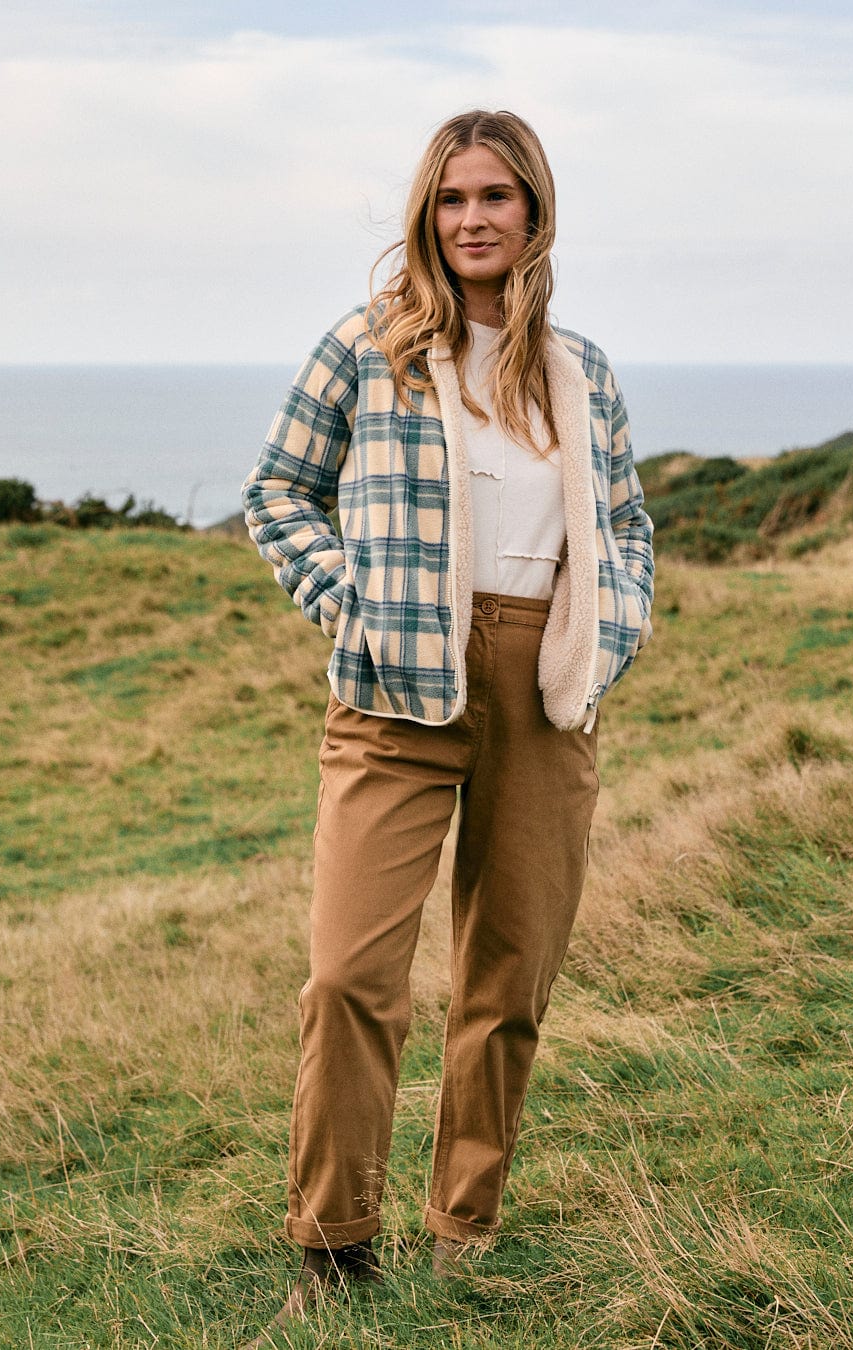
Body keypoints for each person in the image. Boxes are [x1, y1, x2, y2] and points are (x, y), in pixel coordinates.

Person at [240, 108, 654, 1335]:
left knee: (507, 975)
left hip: (542, 687)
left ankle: (465, 1223)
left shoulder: (581, 370)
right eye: (454, 199)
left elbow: (625, 522)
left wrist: (608, 636)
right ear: (430, 215)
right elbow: (276, 490)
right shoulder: (367, 351)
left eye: (498, 198)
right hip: (391, 688)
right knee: (350, 975)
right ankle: (334, 1239)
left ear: (534, 212)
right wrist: (351, 606)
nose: (474, 220)